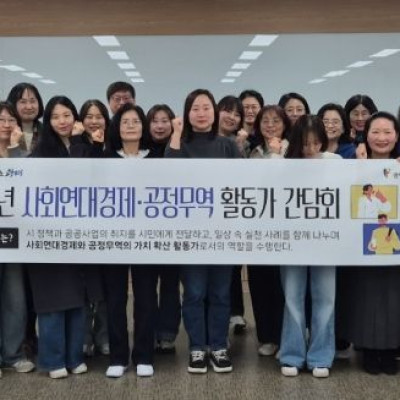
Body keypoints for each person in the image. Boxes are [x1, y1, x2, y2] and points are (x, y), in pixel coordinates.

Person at [165, 89, 241, 374]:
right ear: (187, 113)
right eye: (195, 108)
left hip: (222, 233)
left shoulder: (228, 146)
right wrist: (175, 134)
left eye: (206, 107)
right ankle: (197, 348)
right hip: (190, 234)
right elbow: (168, 176)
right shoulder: (179, 144)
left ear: (215, 112)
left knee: (220, 293)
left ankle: (219, 347)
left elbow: (242, 185)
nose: (201, 113)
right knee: (194, 293)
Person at [29, 96, 92, 379]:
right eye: (55, 117)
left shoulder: (84, 147)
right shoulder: (40, 152)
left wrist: (79, 143)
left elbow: (88, 178)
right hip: (47, 237)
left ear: (75, 117)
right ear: (48, 121)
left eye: (67, 115)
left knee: (77, 299)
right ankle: (53, 359)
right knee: (52, 302)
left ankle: (74, 356)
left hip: (78, 236)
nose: (62, 121)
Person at [280, 115, 340, 378]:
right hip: (292, 240)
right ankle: (292, 355)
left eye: (316, 143)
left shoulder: (335, 163)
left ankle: (321, 357)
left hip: (326, 240)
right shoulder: (284, 165)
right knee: (292, 297)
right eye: (305, 143)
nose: (311, 149)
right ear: (297, 142)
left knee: (325, 298)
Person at [103, 103, 159, 378]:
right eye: (124, 121)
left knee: (146, 297)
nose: (130, 126)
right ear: (117, 127)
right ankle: (118, 356)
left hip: (147, 237)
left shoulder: (156, 158)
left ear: (143, 126)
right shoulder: (105, 159)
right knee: (114, 298)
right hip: (113, 237)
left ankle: (144, 355)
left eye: (135, 121)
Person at [346, 112, 400, 375]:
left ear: (397, 136)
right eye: (375, 132)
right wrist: (360, 167)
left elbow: (388, 206)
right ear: (365, 135)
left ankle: (391, 350)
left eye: (387, 132)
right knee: (366, 295)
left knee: (393, 295)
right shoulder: (352, 165)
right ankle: (368, 349)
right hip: (362, 244)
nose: (381, 138)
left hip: (394, 241)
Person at [247, 105, 288, 357]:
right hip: (256, 228)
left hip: (284, 228)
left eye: (276, 121)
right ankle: (267, 336)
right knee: (259, 283)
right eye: (265, 121)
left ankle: (285, 337)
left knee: (281, 285)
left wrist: (275, 154)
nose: (270, 125)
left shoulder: (292, 149)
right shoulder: (252, 151)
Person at [0, 101, 35, 378]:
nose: (6, 124)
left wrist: (14, 149)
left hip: (14, 239)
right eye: (0, 119)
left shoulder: (23, 153)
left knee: (15, 299)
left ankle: (12, 355)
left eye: (10, 119)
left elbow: (26, 184)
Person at [146, 104, 182, 353]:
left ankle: (168, 333)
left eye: (164, 121)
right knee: (147, 286)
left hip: (174, 229)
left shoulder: (181, 148)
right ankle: (148, 330)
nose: (160, 126)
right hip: (145, 231)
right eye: (154, 121)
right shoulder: (140, 150)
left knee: (170, 284)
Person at [79, 100, 110, 357]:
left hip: (109, 227)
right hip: (82, 227)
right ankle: (84, 337)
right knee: (84, 286)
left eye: (99, 116)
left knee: (106, 287)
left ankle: (103, 336)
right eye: (89, 116)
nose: (94, 121)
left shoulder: (113, 145)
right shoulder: (76, 145)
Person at [217, 96, 247, 333]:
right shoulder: (199, 140)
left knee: (233, 266)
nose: (232, 117)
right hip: (208, 214)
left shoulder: (243, 143)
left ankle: (235, 312)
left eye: (237, 115)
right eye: (227, 111)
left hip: (233, 212)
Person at [7, 82, 44, 153]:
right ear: (12, 104)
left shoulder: (46, 132)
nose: (29, 107)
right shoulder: (5, 131)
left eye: (32, 101)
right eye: (23, 102)